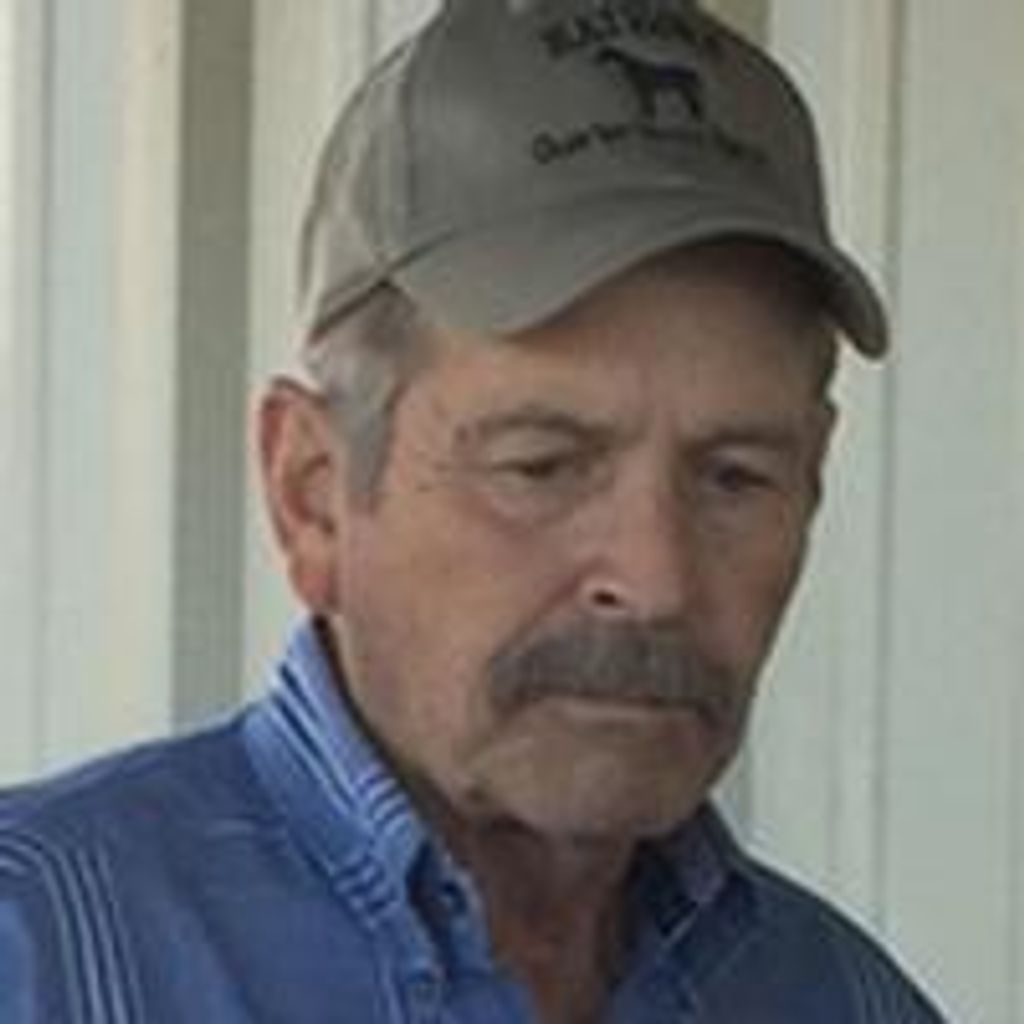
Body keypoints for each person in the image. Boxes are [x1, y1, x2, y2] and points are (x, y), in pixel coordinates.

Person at [0, 1, 948, 1021]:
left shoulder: (847, 1002)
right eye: (542, 466)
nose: (655, 578)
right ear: (312, 494)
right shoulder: (35, 956)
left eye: (735, 478)